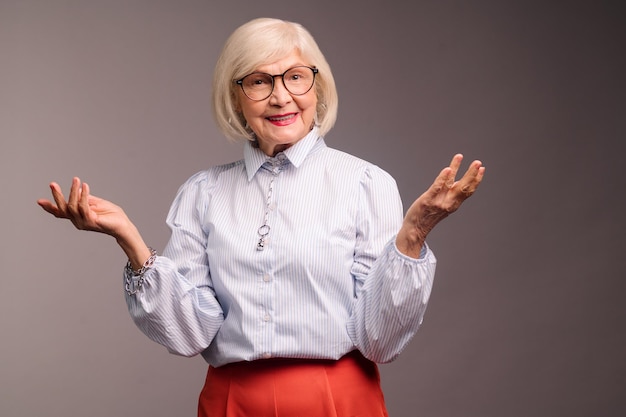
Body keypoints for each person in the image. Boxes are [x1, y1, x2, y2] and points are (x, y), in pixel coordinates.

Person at [37, 17, 485, 417]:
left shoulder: (366, 183)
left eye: (295, 77)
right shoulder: (203, 192)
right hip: (232, 400)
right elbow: (189, 333)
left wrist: (413, 235)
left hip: (337, 400)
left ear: (318, 86)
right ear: (235, 97)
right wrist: (130, 240)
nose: (281, 96)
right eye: (259, 81)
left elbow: (380, 341)